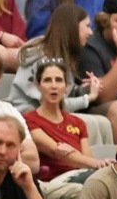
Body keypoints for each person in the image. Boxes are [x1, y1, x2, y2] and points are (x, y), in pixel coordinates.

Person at [13, 3, 117, 140]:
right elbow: (49, 103)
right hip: (29, 116)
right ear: (72, 27)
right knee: (92, 124)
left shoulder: (63, 55)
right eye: (87, 26)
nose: (91, 32)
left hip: (51, 113)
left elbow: (62, 96)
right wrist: (87, 99)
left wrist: (85, 90)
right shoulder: (40, 56)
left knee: (100, 124)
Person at [24, 60, 111, 191]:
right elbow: (56, 151)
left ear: (66, 86)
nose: (53, 86)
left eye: (58, 80)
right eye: (47, 80)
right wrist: (99, 163)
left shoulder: (78, 122)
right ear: (38, 85)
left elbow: (86, 160)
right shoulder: (29, 119)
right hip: (55, 181)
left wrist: (89, 161)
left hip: (82, 175)